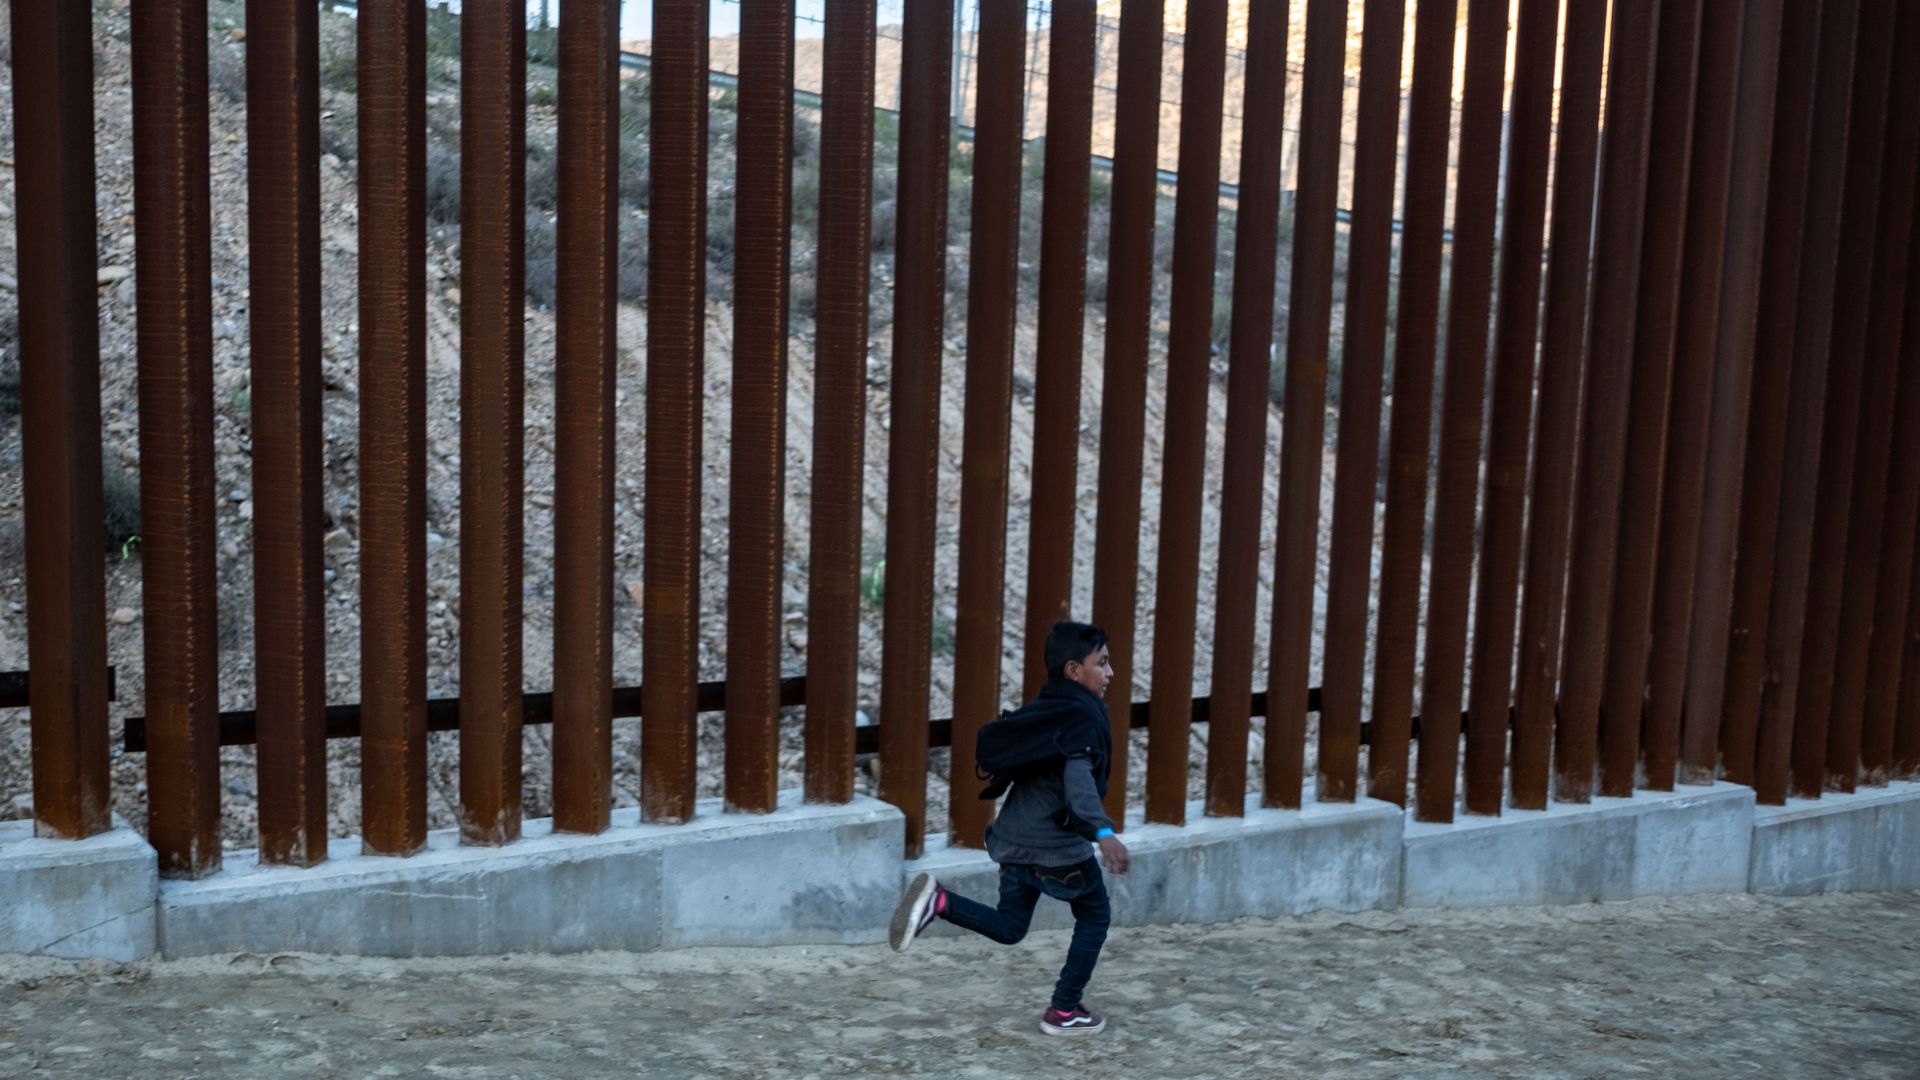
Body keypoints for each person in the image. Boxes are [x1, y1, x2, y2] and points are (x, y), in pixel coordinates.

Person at [888, 620, 1131, 1037]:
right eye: (1102, 663)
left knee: (1011, 926)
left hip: (1013, 840)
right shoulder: (1079, 720)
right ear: (1074, 670)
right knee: (1095, 915)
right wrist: (1103, 833)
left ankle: (940, 902)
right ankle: (1064, 1010)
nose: (1110, 673)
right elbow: (1079, 784)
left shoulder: (1047, 708)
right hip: (1053, 849)